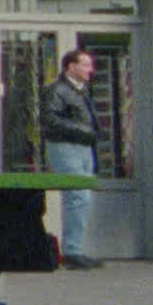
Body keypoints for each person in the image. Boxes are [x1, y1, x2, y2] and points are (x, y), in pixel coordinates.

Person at [40, 49, 102, 269]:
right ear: (71, 67)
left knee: (82, 198)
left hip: (83, 149)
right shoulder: (57, 90)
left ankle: (74, 249)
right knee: (77, 197)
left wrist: (88, 134)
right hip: (66, 147)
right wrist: (83, 130)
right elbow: (49, 120)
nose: (90, 70)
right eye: (85, 65)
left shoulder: (81, 91)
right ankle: (72, 252)